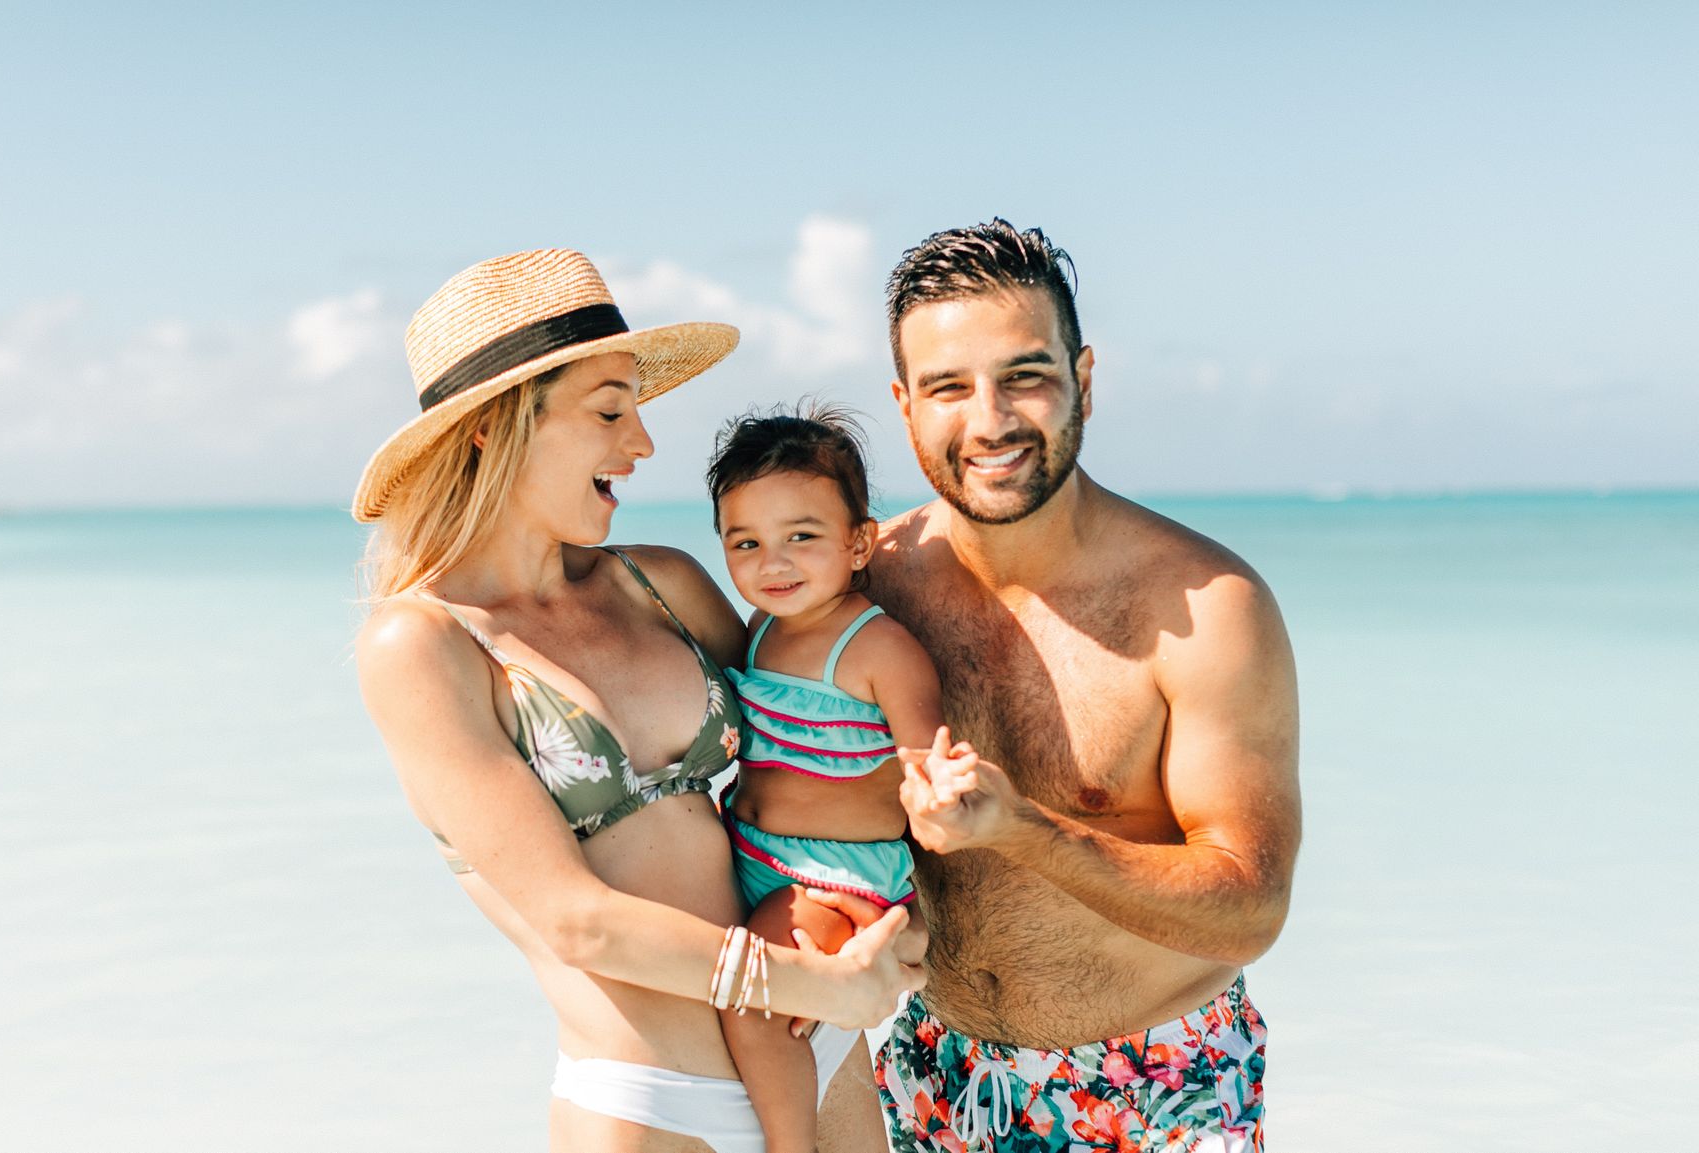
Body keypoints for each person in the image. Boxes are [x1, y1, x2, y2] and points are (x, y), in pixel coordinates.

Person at [351, 248, 924, 1153]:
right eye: (611, 409)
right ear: (492, 428)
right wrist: (801, 983)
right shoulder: (423, 646)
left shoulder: (661, 583)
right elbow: (576, 918)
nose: (644, 443)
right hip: (651, 1103)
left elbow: (831, 726)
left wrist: (904, 908)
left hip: (819, 1048)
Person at [865, 221, 1302, 1151]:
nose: (989, 420)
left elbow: (1252, 905)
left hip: (1155, 1082)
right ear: (905, 406)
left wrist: (1024, 830)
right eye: (948, 387)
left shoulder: (1208, 608)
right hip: (933, 1070)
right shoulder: (870, 587)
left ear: (1084, 380)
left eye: (1024, 374)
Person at [702, 404, 946, 1153]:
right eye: (746, 542)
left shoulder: (878, 648)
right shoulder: (761, 628)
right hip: (757, 857)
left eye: (800, 537)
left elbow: (925, 766)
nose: (772, 563)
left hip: (834, 877)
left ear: (859, 541)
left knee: (754, 996)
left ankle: (791, 1144)